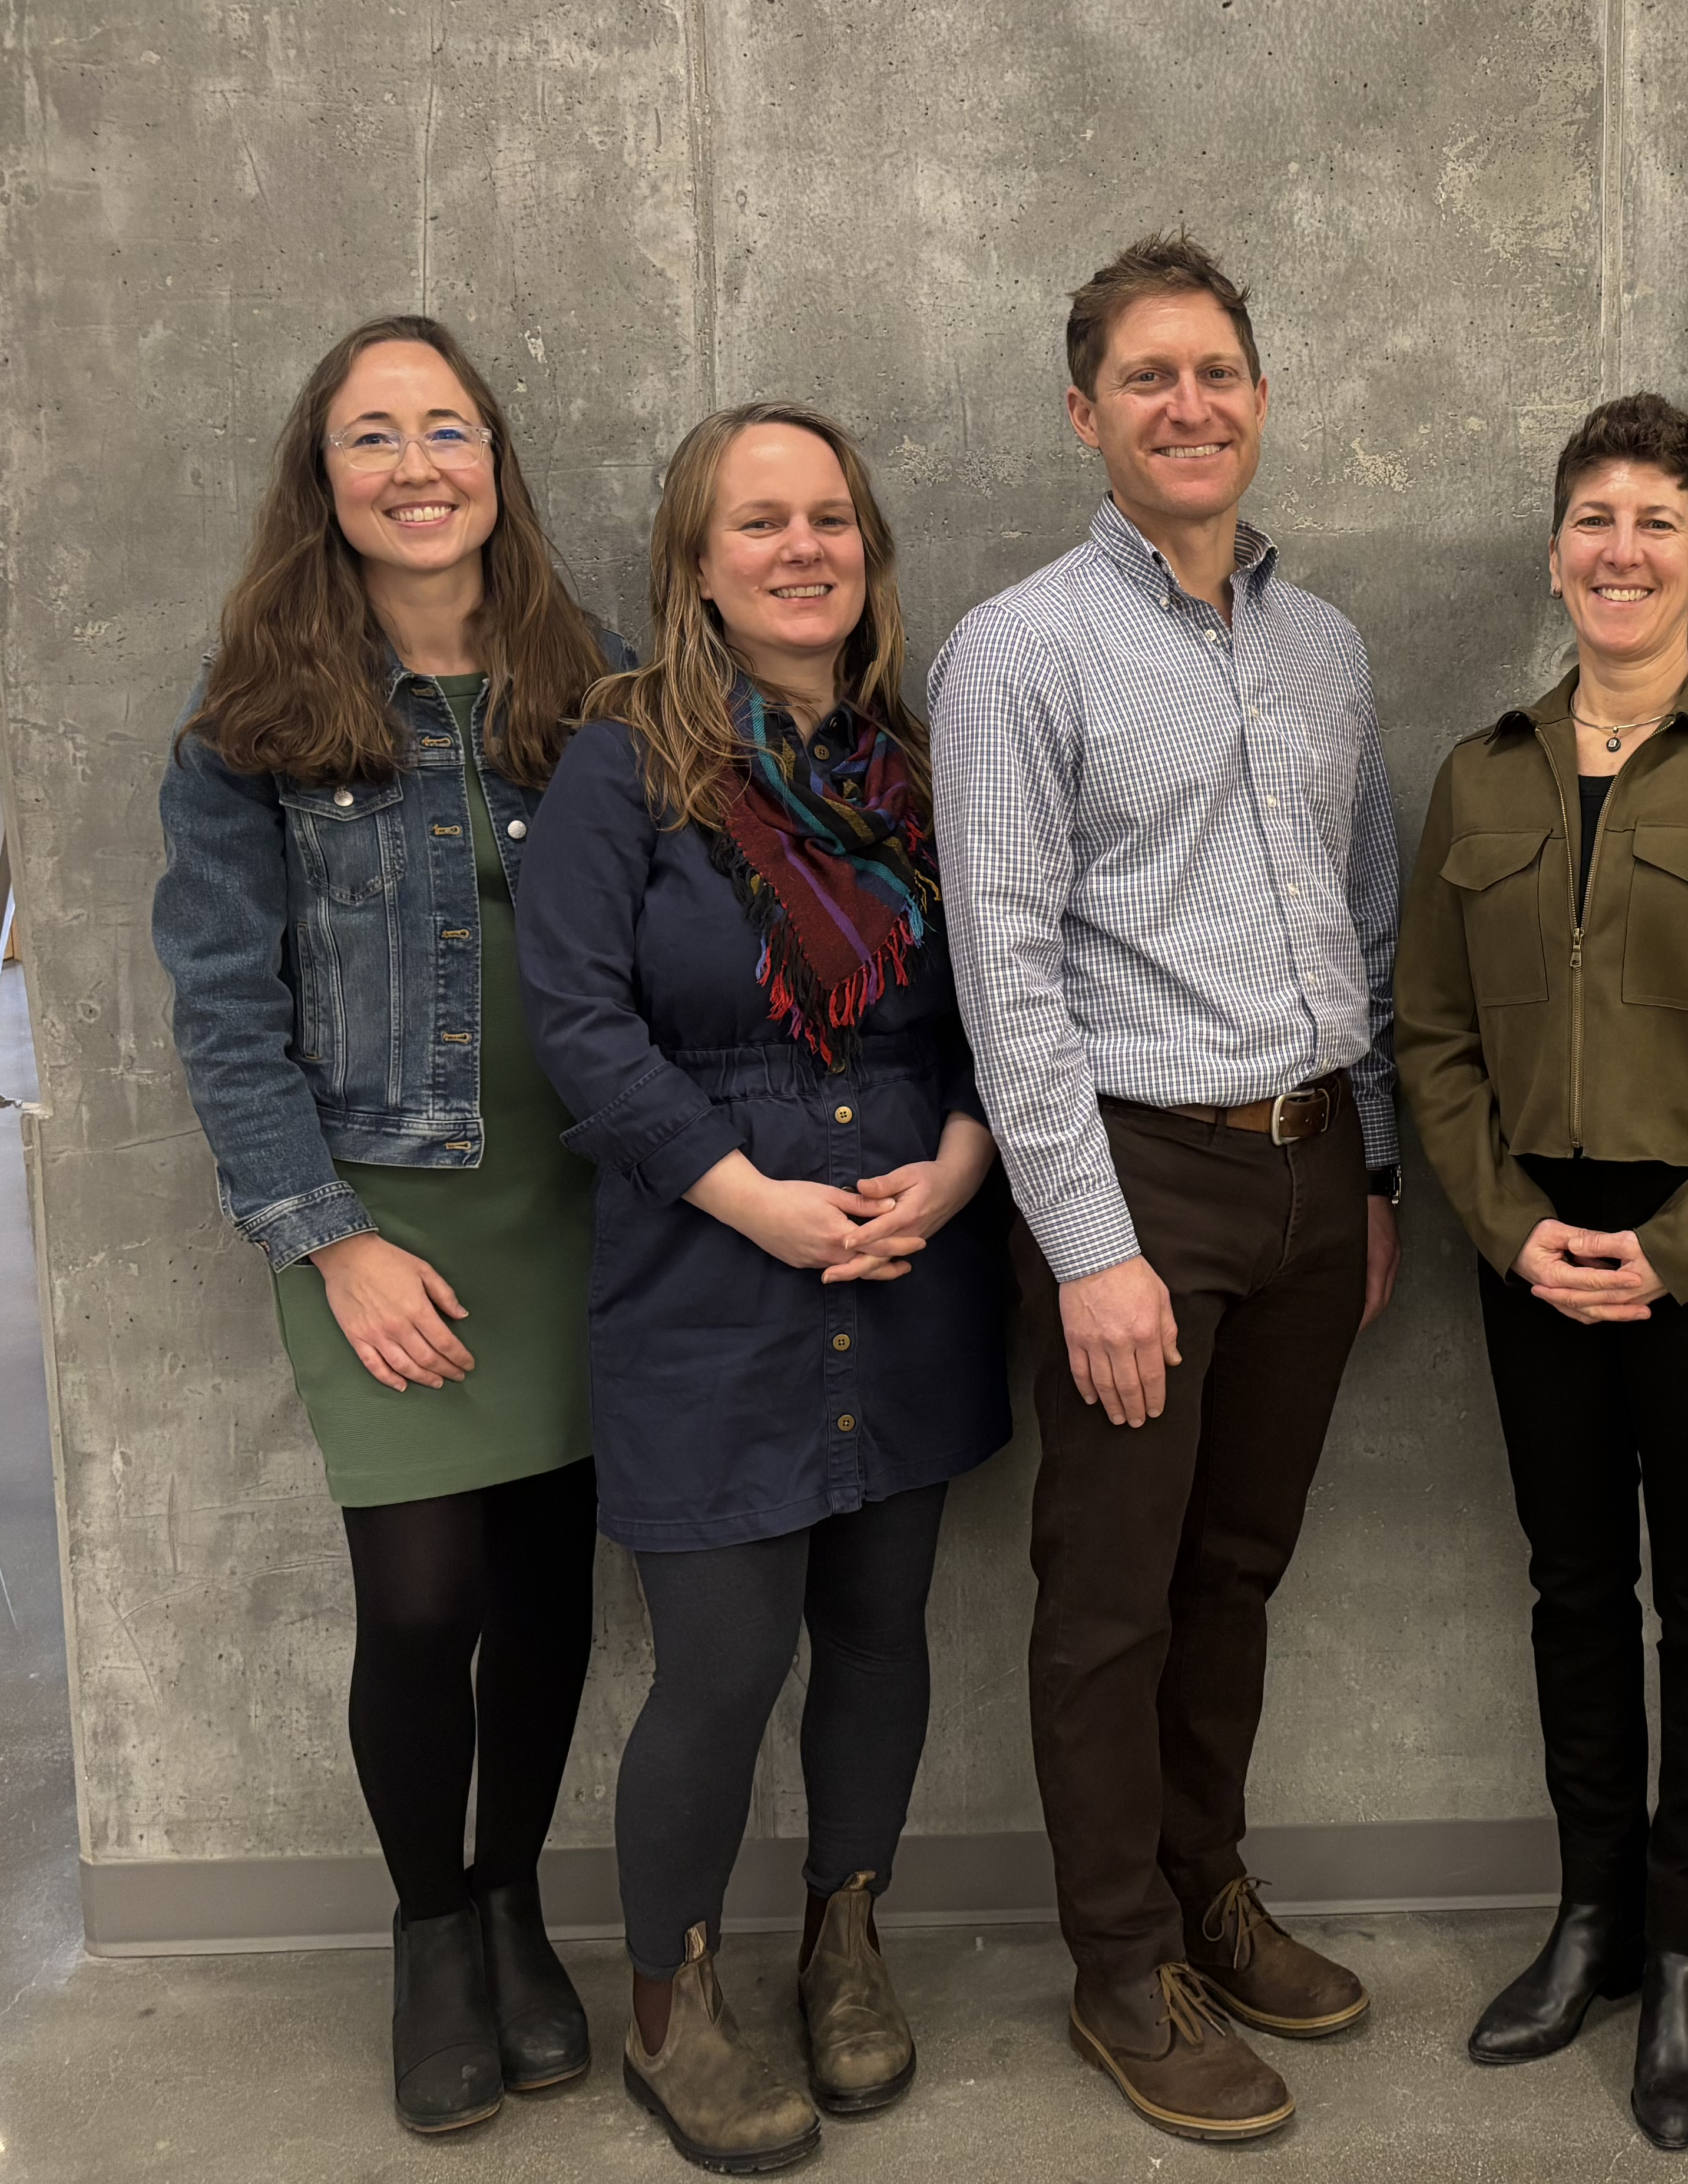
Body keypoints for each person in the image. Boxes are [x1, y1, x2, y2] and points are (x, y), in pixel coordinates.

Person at [928, 233, 1402, 2145]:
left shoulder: (1328, 645)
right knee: (1110, 1591)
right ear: (1085, 414)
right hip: (1133, 1172)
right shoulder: (1019, 648)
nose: (1189, 405)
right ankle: (1119, 1961)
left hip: (1308, 1174)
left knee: (1239, 1566)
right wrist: (1087, 1243)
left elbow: (1361, 912)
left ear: (1259, 398)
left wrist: (1367, 1172)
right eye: (1148, 379)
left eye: (1217, 372)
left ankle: (1208, 1887)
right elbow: (1004, 969)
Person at [517, 402, 1012, 2174]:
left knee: (881, 1633)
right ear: (694, 565)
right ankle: (672, 1998)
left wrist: (958, 1168)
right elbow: (578, 1023)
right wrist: (762, 1203)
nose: (804, 548)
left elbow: (996, 1004)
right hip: (709, 1276)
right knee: (721, 1664)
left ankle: (846, 1940)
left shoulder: (919, 771)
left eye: (832, 520)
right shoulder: (618, 771)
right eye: (760, 524)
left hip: (915, 1258)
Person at [151, 316, 618, 2135]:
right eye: (372, 436)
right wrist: (325, 1234)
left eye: (448, 427)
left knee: (553, 1593)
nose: (417, 463)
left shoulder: (601, 692)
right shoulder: (250, 730)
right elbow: (224, 1012)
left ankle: (516, 1905)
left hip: (593, 1205)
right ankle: (431, 1929)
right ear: (323, 483)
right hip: (383, 1214)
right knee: (425, 1605)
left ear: (497, 460)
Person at [1397, 393, 1688, 2150]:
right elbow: (1432, 1034)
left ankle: (1684, 1951)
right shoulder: (1486, 769)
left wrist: (1676, 1249)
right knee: (1573, 1589)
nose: (1621, 547)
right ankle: (1590, 1918)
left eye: (1656, 520)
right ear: (1556, 551)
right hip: (1529, 1241)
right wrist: (1514, 1227)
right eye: (1593, 516)